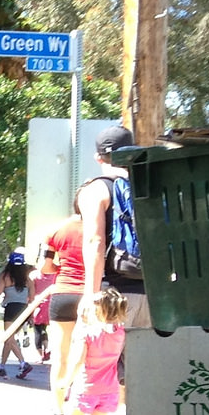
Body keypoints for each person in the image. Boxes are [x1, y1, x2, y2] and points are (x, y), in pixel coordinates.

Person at [76, 124, 152, 332]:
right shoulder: (149, 187)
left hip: (114, 298)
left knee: (106, 363)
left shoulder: (96, 190)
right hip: (155, 298)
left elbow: (95, 242)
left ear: (98, 157)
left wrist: (91, 296)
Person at [60, 286, 129, 415]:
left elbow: (78, 360)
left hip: (86, 386)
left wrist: (66, 381)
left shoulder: (87, 334)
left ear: (97, 310)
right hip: (109, 388)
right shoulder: (119, 334)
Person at [38, 214, 85, 415]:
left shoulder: (54, 231)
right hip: (89, 295)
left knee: (60, 355)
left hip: (63, 291)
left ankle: (58, 405)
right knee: (87, 355)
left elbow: (44, 267)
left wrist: (62, 268)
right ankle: (81, 404)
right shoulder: (98, 229)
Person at [0, 251, 32, 379]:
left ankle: (23, 362)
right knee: (10, 339)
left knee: (9, 338)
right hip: (23, 309)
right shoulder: (27, 277)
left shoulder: (5, 276)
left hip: (11, 307)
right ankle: (1, 367)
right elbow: (32, 294)